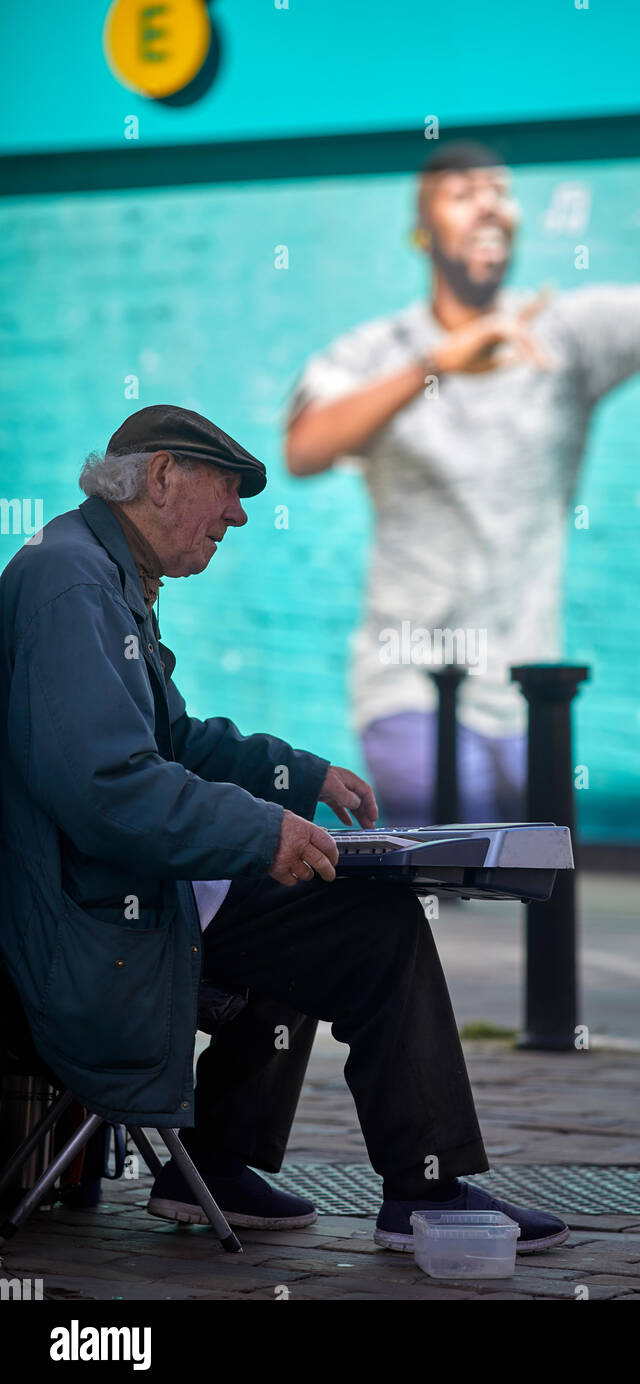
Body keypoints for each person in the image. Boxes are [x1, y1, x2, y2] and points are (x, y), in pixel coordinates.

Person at [0, 403, 568, 1251]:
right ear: (160, 479)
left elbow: (172, 743)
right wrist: (261, 829)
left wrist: (298, 778)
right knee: (368, 924)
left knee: (300, 884)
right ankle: (427, 1190)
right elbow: (106, 785)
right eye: (225, 491)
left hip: (97, 904)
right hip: (73, 936)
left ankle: (214, 1164)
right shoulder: (75, 584)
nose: (237, 516)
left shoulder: (95, 571)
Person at [286, 141, 640, 826]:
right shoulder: (377, 351)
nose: (489, 206)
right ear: (423, 230)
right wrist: (432, 366)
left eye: (500, 193)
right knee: (448, 881)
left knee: (538, 895)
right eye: (462, 193)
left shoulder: (567, 336)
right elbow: (304, 446)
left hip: (532, 692)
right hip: (409, 684)